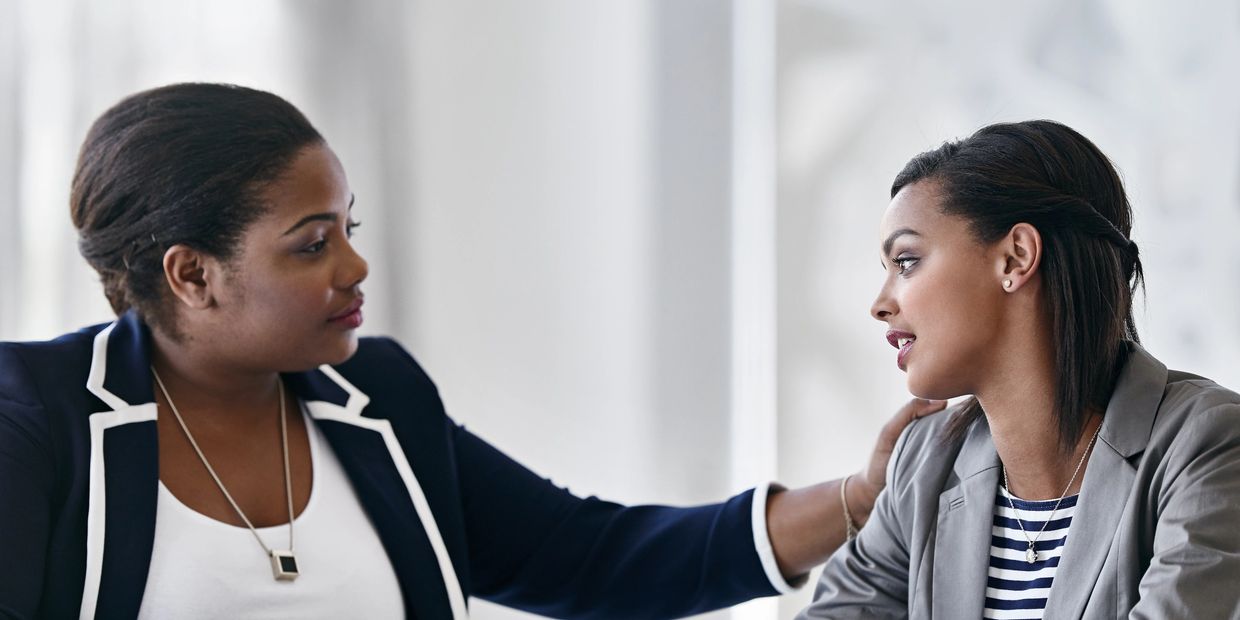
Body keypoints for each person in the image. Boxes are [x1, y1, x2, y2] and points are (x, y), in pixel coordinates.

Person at [0, 83, 943, 619]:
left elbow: (593, 560)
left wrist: (863, 497)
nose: (355, 266)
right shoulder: (34, 421)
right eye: (311, 242)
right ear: (192, 274)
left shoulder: (376, 398)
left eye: (348, 227)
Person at [796, 120, 1240, 619]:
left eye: (906, 261)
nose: (880, 305)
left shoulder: (1208, 443)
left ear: (1016, 257)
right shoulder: (923, 464)